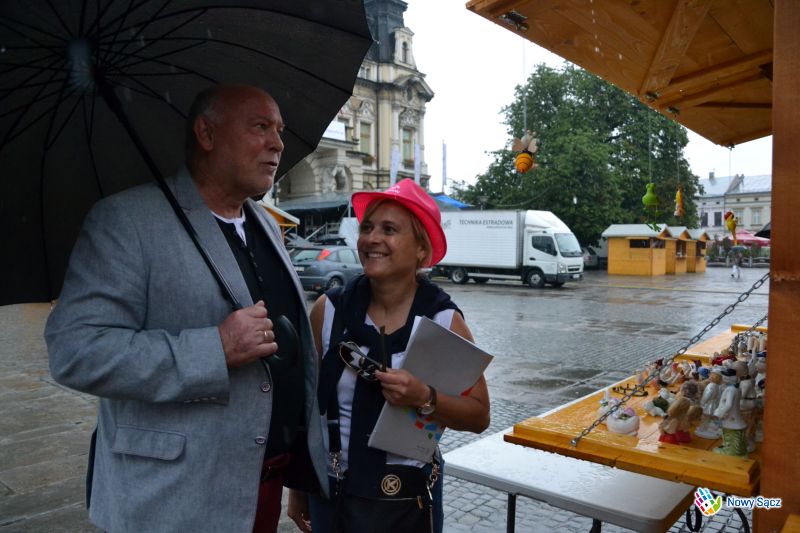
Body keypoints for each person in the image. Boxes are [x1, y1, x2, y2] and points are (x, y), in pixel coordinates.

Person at [45, 85, 327, 532]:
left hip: (261, 486)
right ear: (207, 134)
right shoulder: (126, 221)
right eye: (260, 127)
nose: (277, 143)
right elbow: (77, 351)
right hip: (172, 499)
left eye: (279, 130)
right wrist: (215, 348)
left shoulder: (265, 225)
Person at [287, 179, 491, 533]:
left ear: (421, 250)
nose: (372, 239)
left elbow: (479, 415)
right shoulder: (329, 309)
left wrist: (424, 397)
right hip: (332, 493)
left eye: (389, 230)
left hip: (404, 500)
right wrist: (299, 485)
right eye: (367, 228)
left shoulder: (442, 321)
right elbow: (306, 406)